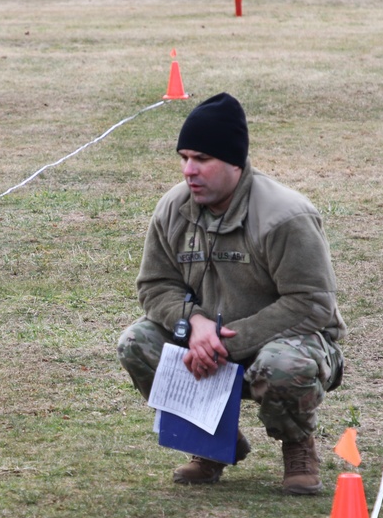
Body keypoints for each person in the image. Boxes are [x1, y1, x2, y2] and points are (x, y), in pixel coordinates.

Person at [117, 92, 345, 494]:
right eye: (184, 157)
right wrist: (197, 323)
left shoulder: (285, 216)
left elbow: (311, 303)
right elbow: (154, 286)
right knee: (137, 342)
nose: (189, 170)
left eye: (202, 159)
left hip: (288, 341)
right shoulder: (173, 209)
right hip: (207, 339)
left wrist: (225, 341)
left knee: (283, 365)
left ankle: (298, 446)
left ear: (234, 162)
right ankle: (211, 444)